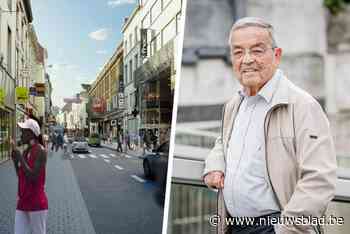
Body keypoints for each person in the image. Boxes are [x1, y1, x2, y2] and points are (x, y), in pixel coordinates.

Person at [203, 17, 337, 234]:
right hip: (233, 226)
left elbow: (320, 178)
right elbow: (223, 142)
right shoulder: (234, 105)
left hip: (275, 227)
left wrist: (284, 230)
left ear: (276, 56)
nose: (246, 60)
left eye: (256, 50)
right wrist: (214, 165)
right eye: (238, 52)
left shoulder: (302, 106)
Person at [11, 118, 48, 234]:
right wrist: (14, 161)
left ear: (31, 133)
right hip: (23, 201)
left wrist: (20, 158)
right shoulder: (26, 151)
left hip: (37, 203)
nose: (21, 134)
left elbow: (33, 177)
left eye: (23, 131)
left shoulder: (41, 151)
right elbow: (21, 176)